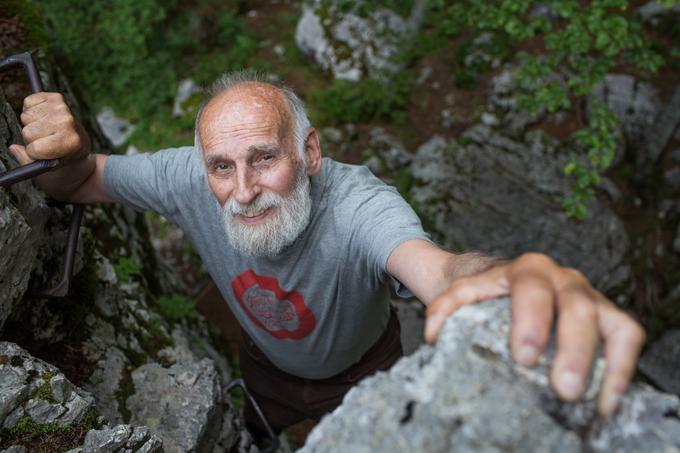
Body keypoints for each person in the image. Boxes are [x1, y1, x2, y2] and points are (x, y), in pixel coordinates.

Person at [9, 71, 644, 439]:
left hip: (365, 373)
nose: (244, 189)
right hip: (265, 368)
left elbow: (437, 267)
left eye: (265, 157)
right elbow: (78, 181)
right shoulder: (186, 178)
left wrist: (504, 278)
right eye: (222, 167)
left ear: (309, 154)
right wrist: (65, 151)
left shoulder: (359, 206)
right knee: (257, 433)